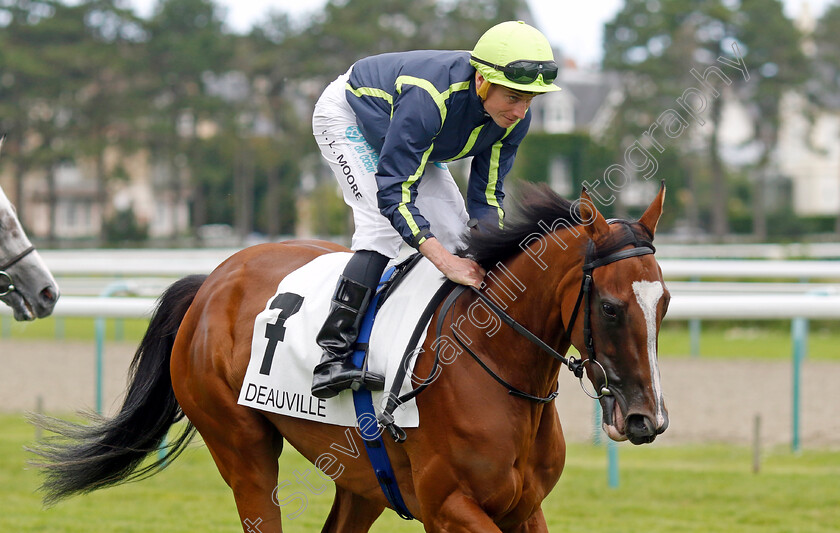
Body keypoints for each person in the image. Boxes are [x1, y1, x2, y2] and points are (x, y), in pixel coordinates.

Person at [310, 20, 560, 399]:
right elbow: (394, 194)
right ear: (481, 81)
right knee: (383, 226)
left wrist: (491, 257)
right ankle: (333, 354)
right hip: (350, 117)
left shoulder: (512, 122)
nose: (521, 112)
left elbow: (487, 198)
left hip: (410, 137)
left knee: (460, 232)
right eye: (513, 97)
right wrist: (446, 262)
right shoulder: (429, 99)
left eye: (529, 100)